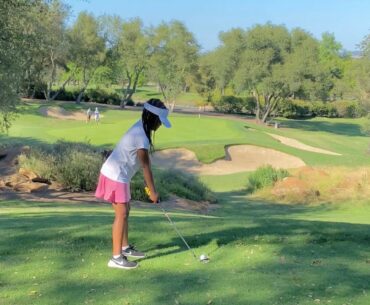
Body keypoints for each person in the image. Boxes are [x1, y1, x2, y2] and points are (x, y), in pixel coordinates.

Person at [95, 98, 171, 270]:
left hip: (119, 176)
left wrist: (152, 191)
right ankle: (116, 258)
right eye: (159, 121)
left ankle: (124, 247)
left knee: (125, 211)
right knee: (121, 214)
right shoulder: (141, 137)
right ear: (153, 118)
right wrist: (153, 193)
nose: (159, 125)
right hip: (115, 176)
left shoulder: (141, 127)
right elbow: (146, 167)